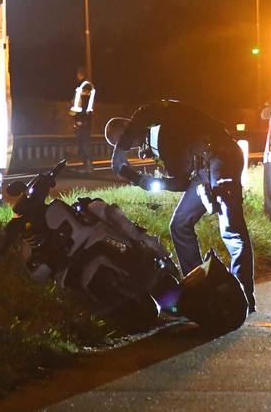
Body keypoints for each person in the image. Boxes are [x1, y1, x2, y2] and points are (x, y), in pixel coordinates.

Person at [105, 99, 255, 312]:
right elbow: (182, 182)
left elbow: (146, 110)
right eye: (119, 144)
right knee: (179, 224)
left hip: (222, 158)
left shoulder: (156, 122)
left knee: (231, 230)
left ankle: (244, 297)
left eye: (123, 140)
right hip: (202, 170)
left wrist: (120, 151)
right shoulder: (155, 141)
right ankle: (201, 287)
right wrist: (141, 180)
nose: (130, 145)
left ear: (129, 127)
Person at [69, 68, 96, 172]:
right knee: (82, 142)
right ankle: (86, 165)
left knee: (85, 142)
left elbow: (83, 104)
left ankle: (89, 166)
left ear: (79, 74)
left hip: (84, 119)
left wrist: (80, 119)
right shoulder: (84, 85)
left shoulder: (85, 86)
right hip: (83, 118)